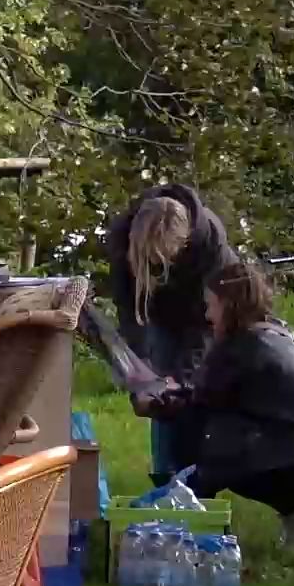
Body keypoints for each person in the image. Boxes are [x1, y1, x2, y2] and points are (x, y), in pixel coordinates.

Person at [136, 259, 294, 547]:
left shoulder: (238, 344)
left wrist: (155, 403)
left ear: (228, 304)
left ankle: (182, 517)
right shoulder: (283, 334)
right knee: (241, 432)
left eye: (211, 305)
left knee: (209, 441)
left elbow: (200, 407)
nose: (208, 315)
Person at [105, 183, 229, 488]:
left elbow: (206, 325)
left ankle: (196, 482)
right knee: (159, 395)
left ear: (183, 244)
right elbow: (125, 304)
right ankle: (166, 482)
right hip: (155, 312)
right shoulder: (122, 233)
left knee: (192, 393)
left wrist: (183, 377)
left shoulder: (210, 241)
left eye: (163, 259)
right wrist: (139, 365)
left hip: (203, 314)